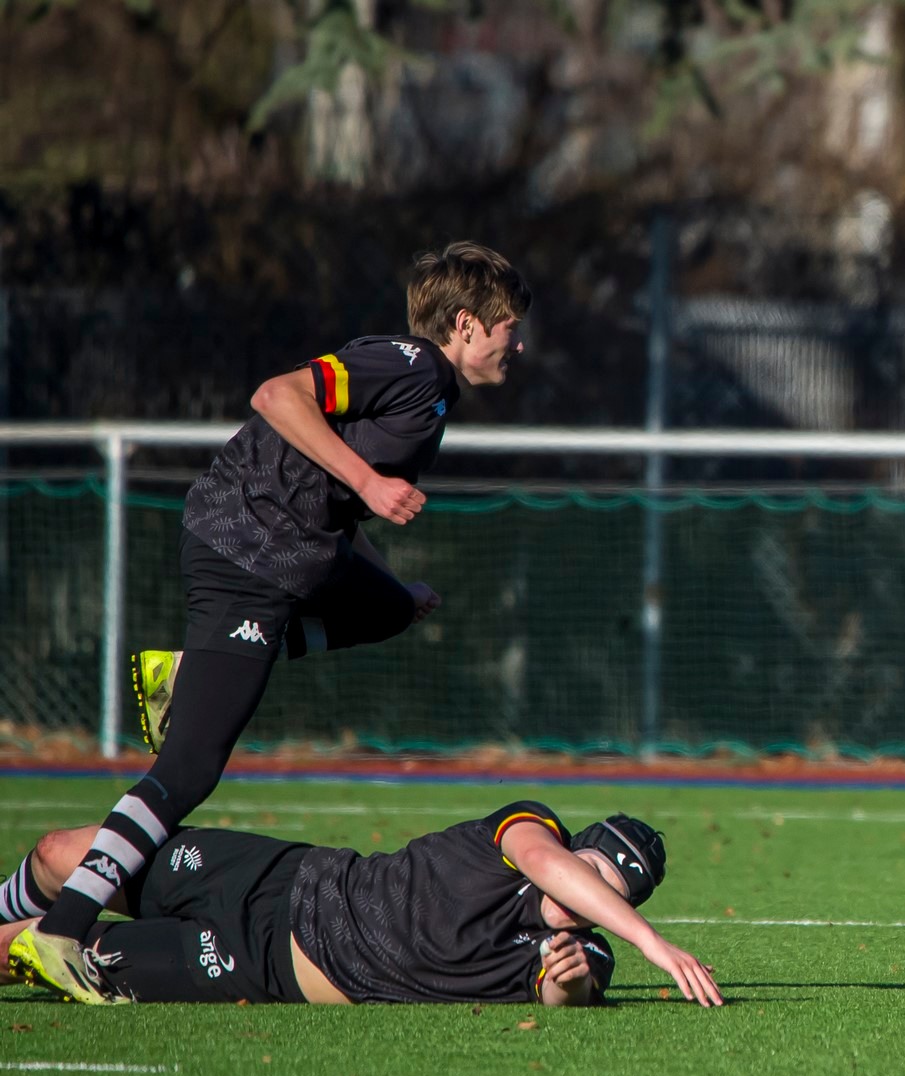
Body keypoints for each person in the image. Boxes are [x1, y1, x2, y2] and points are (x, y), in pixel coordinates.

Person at [2, 242, 531, 1001]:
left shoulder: (432, 390)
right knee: (187, 770)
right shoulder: (410, 364)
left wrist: (387, 573)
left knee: (389, 607)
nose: (519, 342)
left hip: (282, 553)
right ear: (466, 324)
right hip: (247, 551)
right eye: (511, 325)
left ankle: (192, 668)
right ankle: (61, 930)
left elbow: (336, 501)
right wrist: (370, 483)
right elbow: (278, 395)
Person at [1, 802, 723, 1008]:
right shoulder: (528, 833)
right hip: (276, 875)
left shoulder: (588, 949)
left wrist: (565, 983)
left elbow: (567, 991)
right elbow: (546, 860)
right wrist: (655, 943)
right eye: (594, 874)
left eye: (612, 900)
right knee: (63, 853)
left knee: (30, 952)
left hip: (264, 968)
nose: (590, 903)